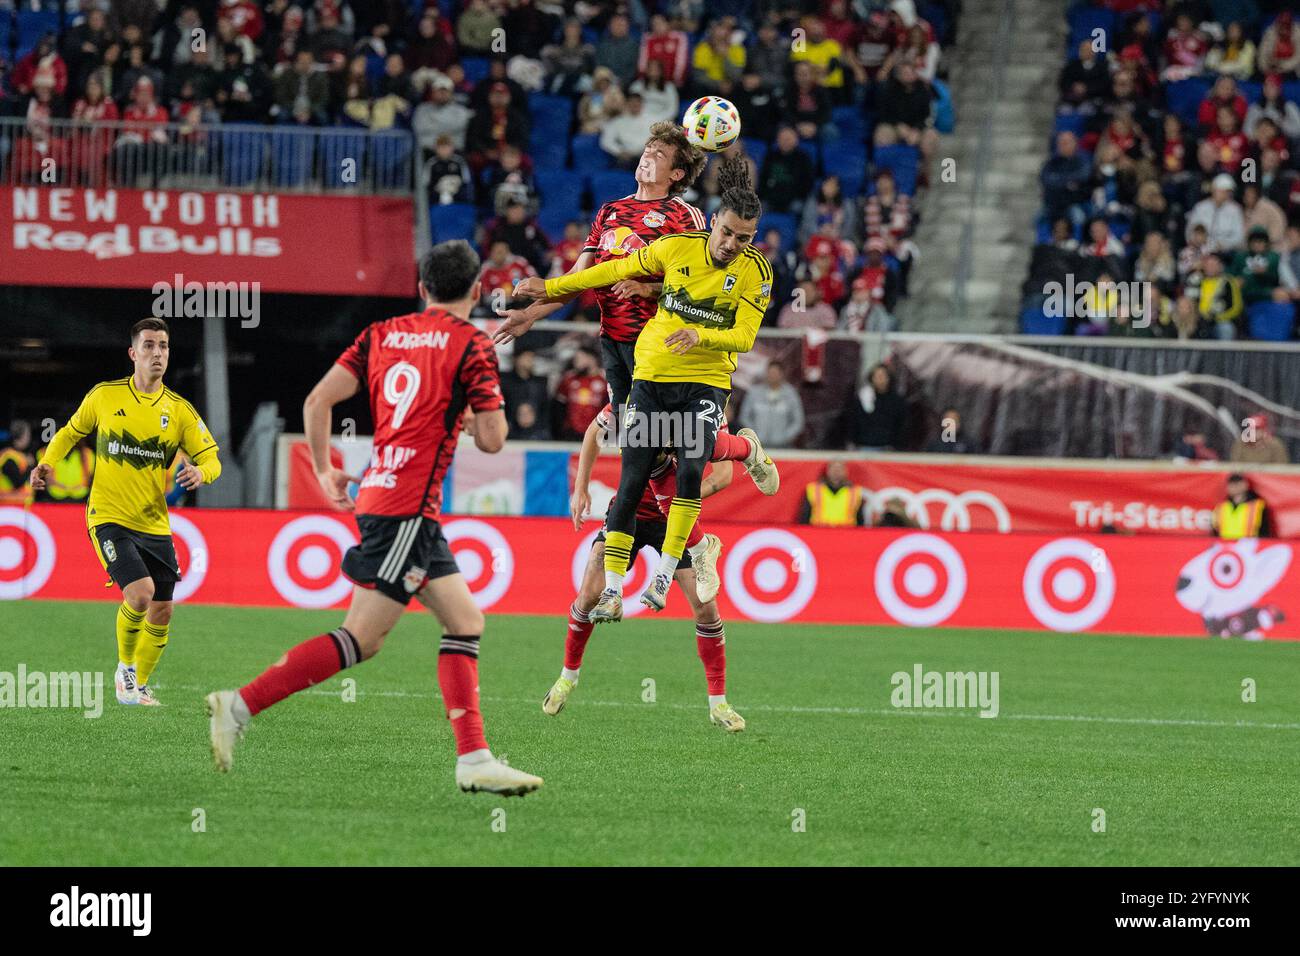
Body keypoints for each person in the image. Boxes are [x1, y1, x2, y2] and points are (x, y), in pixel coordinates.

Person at [205, 242, 543, 796]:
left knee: (465, 620)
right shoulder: (473, 344)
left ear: (422, 289)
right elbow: (493, 438)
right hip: (409, 506)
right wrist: (463, 418)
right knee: (361, 639)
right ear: (478, 290)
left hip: (387, 496)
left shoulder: (382, 333)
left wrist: (323, 470)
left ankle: (475, 759)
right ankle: (238, 707)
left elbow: (317, 402)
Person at [514, 157, 777, 620]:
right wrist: (552, 288)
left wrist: (701, 335)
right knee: (631, 481)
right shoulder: (677, 248)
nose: (733, 244)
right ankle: (615, 590)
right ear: (713, 221)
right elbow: (608, 271)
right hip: (652, 374)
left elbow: (746, 336)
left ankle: (665, 574)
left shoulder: (757, 272)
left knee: (691, 470)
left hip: (706, 379)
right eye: (728, 233)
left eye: (745, 238)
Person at [30, 319, 221, 708]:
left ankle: (140, 685)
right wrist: (48, 462)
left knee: (163, 609)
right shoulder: (104, 396)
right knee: (141, 593)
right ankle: (125, 671)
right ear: (133, 353)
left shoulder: (180, 411)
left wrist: (202, 471)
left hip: (153, 521)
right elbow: (69, 432)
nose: (157, 353)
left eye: (164, 346)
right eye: (149, 345)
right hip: (108, 516)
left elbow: (212, 457)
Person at [543, 402, 744, 731]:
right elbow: (595, 432)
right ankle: (568, 676)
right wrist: (580, 488)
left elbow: (723, 476)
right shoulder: (639, 397)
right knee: (590, 595)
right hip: (628, 511)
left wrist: (681, 499)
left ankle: (718, 704)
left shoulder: (703, 407)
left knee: (706, 608)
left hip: (673, 522)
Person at [740, 362, 805, 448]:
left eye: (775, 373)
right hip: (757, 446)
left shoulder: (791, 394)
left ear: (782, 374)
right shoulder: (754, 392)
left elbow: (798, 421)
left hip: (784, 446)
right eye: (770, 373)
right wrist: (754, 434)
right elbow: (744, 417)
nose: (772, 376)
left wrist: (785, 437)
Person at [844, 363, 907, 450]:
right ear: (871, 378)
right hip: (865, 447)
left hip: (888, 448)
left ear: (889, 378)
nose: (880, 379)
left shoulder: (897, 401)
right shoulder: (863, 398)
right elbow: (854, 422)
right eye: (877, 376)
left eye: (883, 376)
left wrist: (896, 445)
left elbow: (901, 425)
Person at [798, 459, 865, 527]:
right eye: (833, 468)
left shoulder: (855, 491)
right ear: (827, 471)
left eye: (840, 469)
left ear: (846, 472)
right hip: (819, 532)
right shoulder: (813, 489)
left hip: (846, 533)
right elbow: (805, 516)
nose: (836, 472)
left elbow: (860, 518)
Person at [1211, 473, 1271, 540]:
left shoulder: (1258, 505)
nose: (1235, 487)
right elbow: (1215, 529)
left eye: (1238, 483)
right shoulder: (1221, 506)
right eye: (1232, 484)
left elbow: (1265, 529)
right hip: (1225, 546)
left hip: (1248, 546)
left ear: (1245, 485)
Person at [0, 421, 35, 505]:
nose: (29, 438)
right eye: (27, 435)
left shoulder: (18, 455)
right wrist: (30, 466)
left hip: (19, 506)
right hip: (9, 505)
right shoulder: (8, 457)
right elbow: (18, 483)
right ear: (22, 437)